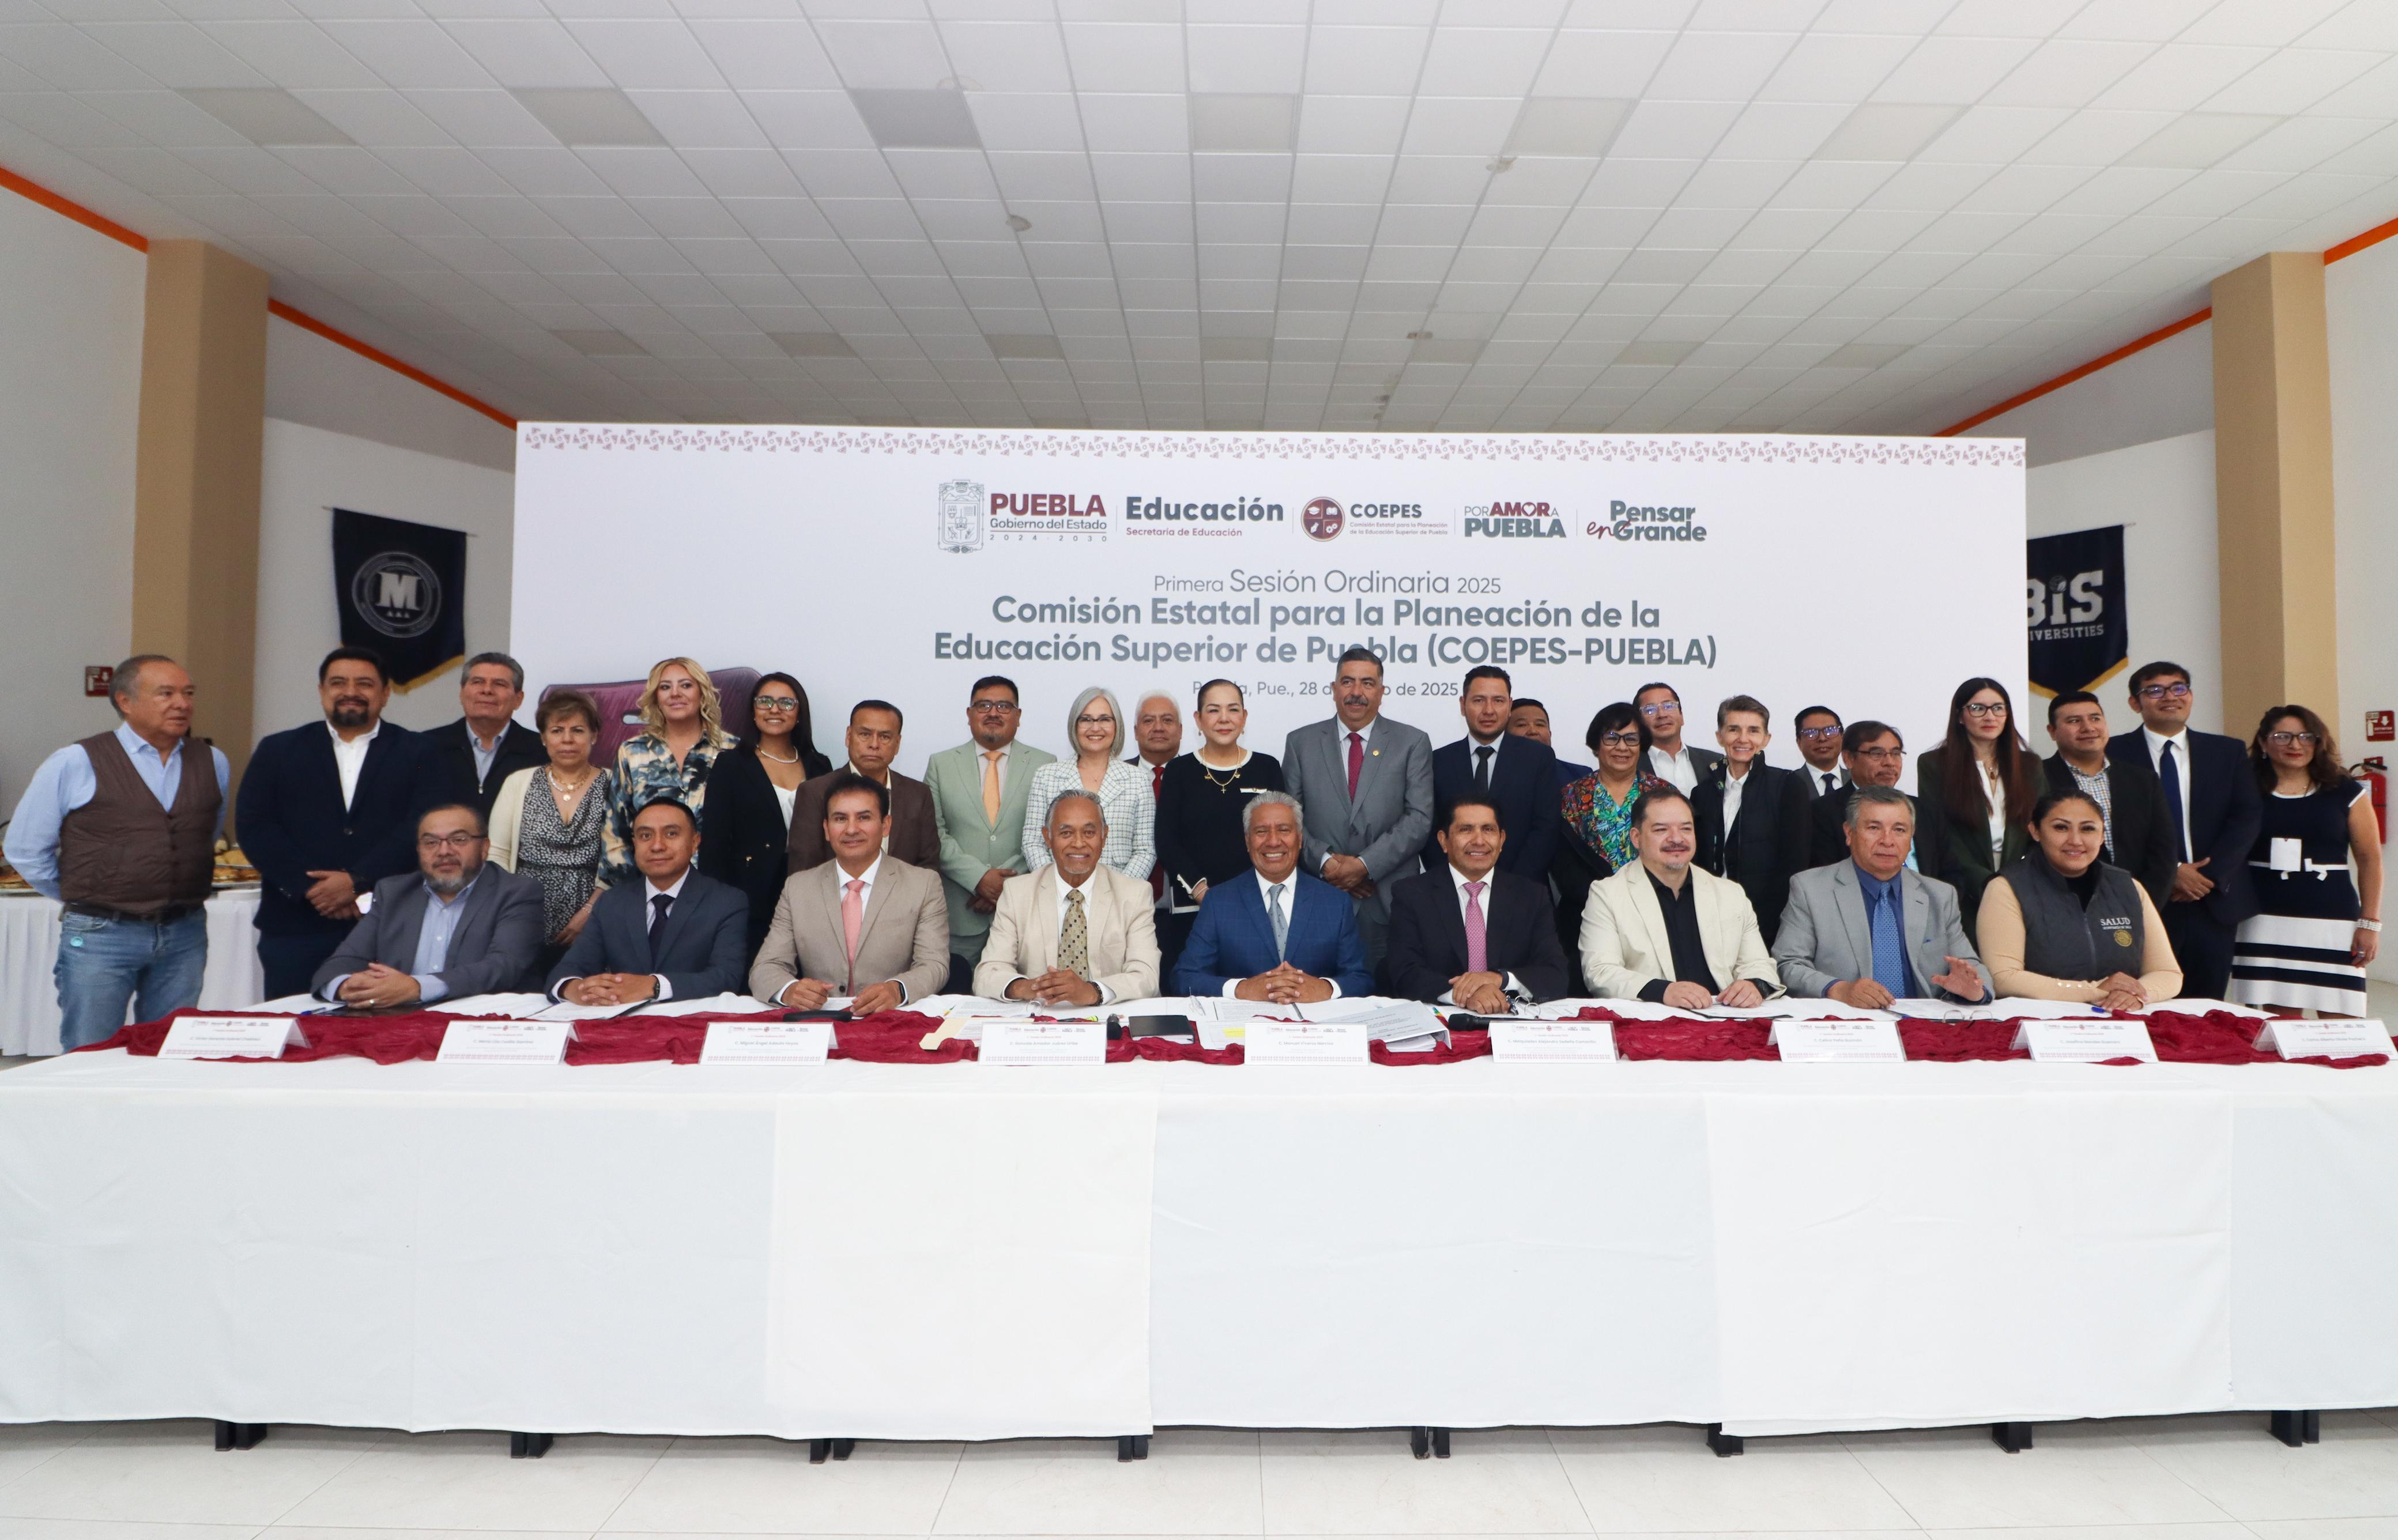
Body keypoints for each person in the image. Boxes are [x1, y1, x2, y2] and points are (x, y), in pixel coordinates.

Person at [4, 655, 228, 1047]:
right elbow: (25, 849)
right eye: (166, 694)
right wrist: (81, 894)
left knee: (170, 1049)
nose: (182, 703)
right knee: (91, 1052)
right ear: (125, 701)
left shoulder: (212, 761)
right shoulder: (76, 761)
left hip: (184, 932)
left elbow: (202, 835)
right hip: (101, 934)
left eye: (188, 693)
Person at [236, 647, 440, 998]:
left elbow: (422, 827)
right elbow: (255, 827)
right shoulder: (277, 750)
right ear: (322, 691)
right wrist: (311, 887)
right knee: (295, 1022)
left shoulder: (421, 751)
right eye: (338, 683)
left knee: (386, 1025)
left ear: (385, 694)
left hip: (387, 925)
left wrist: (357, 881)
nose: (351, 692)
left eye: (364, 684)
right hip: (295, 925)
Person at [2106, 661, 2263, 1001]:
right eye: (2155, 690)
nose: (2169, 697)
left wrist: (2209, 876)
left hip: (2212, 898)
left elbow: (2246, 816)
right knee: (2140, 999)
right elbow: (2113, 826)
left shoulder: (2227, 751)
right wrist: (2173, 871)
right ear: (2135, 703)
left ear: (2190, 696)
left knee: (2207, 1004)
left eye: (2179, 688)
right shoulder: (2112, 753)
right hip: (2145, 897)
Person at [1281, 647, 1434, 968]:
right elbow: (1289, 819)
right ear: (1334, 689)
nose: (1356, 692)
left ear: (1381, 691)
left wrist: (1364, 866)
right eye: (1348, 682)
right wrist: (1328, 864)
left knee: (1386, 992)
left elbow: (1419, 819)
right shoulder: (1300, 743)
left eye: (1367, 683)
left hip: (1387, 899)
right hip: (1320, 895)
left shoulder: (1412, 742)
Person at [1774, 786, 1991, 1007]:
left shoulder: (1940, 895)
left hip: (1923, 1020)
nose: (1887, 841)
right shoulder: (1811, 889)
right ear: (1849, 833)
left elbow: (1972, 967)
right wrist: (1839, 990)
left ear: (1911, 837)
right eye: (1874, 828)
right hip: (1848, 1019)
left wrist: (1974, 989)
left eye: (1899, 830)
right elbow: (1788, 964)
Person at [751, 773, 950, 1012]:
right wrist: (790, 991)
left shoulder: (923, 884)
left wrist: (897, 990)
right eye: (840, 819)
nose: (852, 829)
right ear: (826, 829)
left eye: (864, 818)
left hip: (891, 1019)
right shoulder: (798, 888)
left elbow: (934, 964)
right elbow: (765, 968)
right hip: (822, 1020)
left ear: (886, 825)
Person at [311, 803, 545, 1006]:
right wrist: (348, 987)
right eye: (431, 842)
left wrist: (417, 988)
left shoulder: (516, 892)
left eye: (459, 840)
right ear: (419, 850)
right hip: (399, 1020)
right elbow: (341, 962)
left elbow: (504, 967)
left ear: (485, 848)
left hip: (480, 1022)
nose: (444, 851)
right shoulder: (394, 893)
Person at [2229, 705, 2381, 1016]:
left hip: (2332, 920)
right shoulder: (2245, 790)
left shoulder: (2346, 792)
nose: (2295, 745)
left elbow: (2370, 859)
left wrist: (2369, 923)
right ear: (2263, 742)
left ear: (2319, 741)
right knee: (2281, 1024)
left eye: (2305, 736)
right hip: (2263, 919)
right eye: (2282, 736)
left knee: (2340, 1023)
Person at [1976, 790, 2182, 1009]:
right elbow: (2003, 978)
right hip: (2038, 1020)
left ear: (2102, 836)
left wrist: (2134, 995)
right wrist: (2094, 990)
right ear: (2035, 831)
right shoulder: (2007, 887)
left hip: (2119, 1019)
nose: (2075, 840)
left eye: (2088, 829)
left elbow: (2167, 973)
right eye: (2061, 828)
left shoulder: (2129, 887)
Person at [1578, 787, 1782, 1006]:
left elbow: (1759, 964)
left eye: (1686, 829)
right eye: (1661, 830)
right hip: (1653, 1017)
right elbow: (1600, 972)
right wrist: (1663, 991)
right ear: (1636, 838)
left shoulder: (1730, 894)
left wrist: (1753, 985)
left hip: (1724, 1015)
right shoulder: (1607, 895)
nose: (1676, 839)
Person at [1175, 790, 1375, 1001]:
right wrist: (1242, 989)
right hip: (1245, 1020)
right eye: (1261, 831)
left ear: (1299, 839)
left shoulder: (1335, 903)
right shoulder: (1219, 902)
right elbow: (1184, 978)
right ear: (1247, 841)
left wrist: (1325, 989)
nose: (1273, 841)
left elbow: (1360, 979)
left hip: (1313, 1020)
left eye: (1284, 830)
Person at [925, 677, 1056, 992]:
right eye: (984, 705)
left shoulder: (1045, 764)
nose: (993, 713)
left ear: (1018, 716)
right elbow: (934, 833)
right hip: (961, 912)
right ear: (969, 714)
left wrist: (1005, 887)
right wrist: (979, 879)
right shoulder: (941, 764)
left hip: (1024, 911)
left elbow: (1049, 833)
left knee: (1024, 999)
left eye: (1004, 706)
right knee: (956, 1002)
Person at [550, 797, 748, 1004]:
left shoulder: (727, 902)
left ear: (694, 842)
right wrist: (577, 990)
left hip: (692, 1018)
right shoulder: (612, 902)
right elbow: (567, 971)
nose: (657, 846)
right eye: (646, 836)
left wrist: (654, 986)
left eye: (671, 834)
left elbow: (727, 978)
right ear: (635, 843)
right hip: (621, 1019)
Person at [974, 790, 1161, 1005]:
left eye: (1089, 833)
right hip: (1041, 1016)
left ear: (1104, 836)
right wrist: (1030, 987)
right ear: (1048, 837)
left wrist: (1092, 992)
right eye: (1066, 833)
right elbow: (987, 973)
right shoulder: (1017, 893)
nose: (1079, 843)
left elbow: (1146, 976)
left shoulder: (1134, 895)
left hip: (1106, 1015)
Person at [1385, 794, 1570, 1010]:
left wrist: (1499, 980)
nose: (1479, 841)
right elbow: (1405, 973)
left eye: (1488, 830)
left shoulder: (1531, 897)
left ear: (1502, 840)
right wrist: (1465, 994)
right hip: (1443, 1017)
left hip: (1510, 1018)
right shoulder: (1412, 895)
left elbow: (1556, 975)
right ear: (1444, 841)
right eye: (1466, 830)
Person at [1155, 680, 1285, 973]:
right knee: (1192, 987)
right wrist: (1202, 891)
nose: (1224, 719)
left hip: (1257, 908)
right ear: (1198, 720)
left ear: (1245, 717)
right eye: (1214, 710)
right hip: (1193, 909)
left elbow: (1280, 836)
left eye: (1233, 710)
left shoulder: (1267, 767)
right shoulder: (1179, 771)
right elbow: (1166, 840)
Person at [488, 689, 613, 984]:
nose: (567, 739)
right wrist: (514, 914)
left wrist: (590, 912)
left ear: (594, 736)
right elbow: (497, 854)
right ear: (543, 738)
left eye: (578, 730)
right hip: (523, 921)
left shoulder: (616, 783)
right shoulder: (518, 782)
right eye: (557, 731)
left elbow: (622, 860)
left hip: (596, 923)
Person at [700, 671, 820, 967]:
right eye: (765, 701)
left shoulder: (819, 764)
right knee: (754, 974)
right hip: (749, 893)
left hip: (809, 891)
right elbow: (714, 843)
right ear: (753, 711)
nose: (775, 709)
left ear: (800, 713)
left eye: (786, 703)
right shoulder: (731, 764)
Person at [1915, 677, 2039, 942]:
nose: (1990, 716)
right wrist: (1988, 882)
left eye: (1998, 708)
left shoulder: (2030, 765)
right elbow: (1941, 831)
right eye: (1977, 708)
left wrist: (2016, 880)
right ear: (1960, 716)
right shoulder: (1934, 764)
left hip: (2022, 884)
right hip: (1963, 887)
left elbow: (2041, 827)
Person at [1553, 703, 1671, 973]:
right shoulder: (1570, 797)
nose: (1622, 747)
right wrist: (1606, 903)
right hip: (1586, 918)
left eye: (1631, 739)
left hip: (1654, 915)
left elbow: (1676, 855)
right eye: (1611, 738)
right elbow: (1562, 865)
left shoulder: (1663, 794)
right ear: (1596, 745)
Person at [603, 658, 736, 887]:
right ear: (656, 697)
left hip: (716, 888)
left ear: (702, 693)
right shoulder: (633, 752)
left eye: (686, 685)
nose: (675, 694)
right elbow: (615, 831)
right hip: (647, 889)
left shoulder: (732, 750)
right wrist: (634, 889)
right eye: (665, 687)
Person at [1424, 665, 1561, 881]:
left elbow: (1546, 828)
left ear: (1510, 706)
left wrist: (1509, 887)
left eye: (1498, 701)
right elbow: (1429, 831)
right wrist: (1454, 882)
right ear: (1463, 705)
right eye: (1479, 700)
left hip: (1524, 888)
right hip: (1452, 890)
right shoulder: (1438, 761)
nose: (1489, 710)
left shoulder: (1538, 758)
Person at [2042, 690, 2178, 907]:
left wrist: (2143, 907)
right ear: (2053, 732)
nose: (2088, 728)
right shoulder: (2036, 779)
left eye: (2095, 718)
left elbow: (2164, 852)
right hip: (2061, 905)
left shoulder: (2143, 780)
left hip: (2137, 904)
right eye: (2074, 721)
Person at [787, 700, 940, 870]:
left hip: (905, 888)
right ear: (848, 736)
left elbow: (929, 865)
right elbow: (804, 868)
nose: (874, 745)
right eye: (865, 734)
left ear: (897, 744)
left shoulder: (918, 794)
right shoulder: (815, 792)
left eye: (884, 737)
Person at [1021, 687, 1155, 882]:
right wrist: (1058, 887)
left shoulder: (1138, 779)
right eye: (1086, 720)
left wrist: (1119, 891)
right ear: (1074, 725)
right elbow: (1032, 842)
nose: (1095, 728)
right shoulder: (1046, 776)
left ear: (1117, 725)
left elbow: (1145, 850)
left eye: (1104, 719)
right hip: (1057, 891)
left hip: (1119, 893)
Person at [1693, 694, 1793, 944]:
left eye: (1753, 731)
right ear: (1720, 737)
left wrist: (1771, 920)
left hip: (1768, 922)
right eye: (1734, 729)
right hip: (1711, 919)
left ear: (1766, 739)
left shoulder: (1787, 786)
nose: (1743, 739)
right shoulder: (1702, 793)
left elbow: (1794, 863)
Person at [427, 652, 545, 824]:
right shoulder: (427, 746)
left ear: (518, 699)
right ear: (462, 694)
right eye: (478, 682)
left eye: (499, 684)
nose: (487, 690)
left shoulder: (542, 751)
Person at [1803, 720, 1909, 869]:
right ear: (1848, 759)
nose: (1889, 762)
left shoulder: (1924, 810)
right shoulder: (1820, 813)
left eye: (1896, 754)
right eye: (1877, 754)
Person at [1632, 682, 1722, 795]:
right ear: (1638, 723)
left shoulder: (1715, 762)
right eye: (1650, 710)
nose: (1662, 715)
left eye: (1669, 706)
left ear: (1682, 716)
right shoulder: (1631, 766)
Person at [1507, 697, 1590, 789]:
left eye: (1540, 725)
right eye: (1522, 725)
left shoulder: (1581, 776)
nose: (1533, 731)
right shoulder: (1497, 775)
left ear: (1550, 734)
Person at [1790, 705, 1847, 801]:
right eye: (1811, 733)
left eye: (1830, 731)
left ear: (1842, 737)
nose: (1822, 738)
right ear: (1799, 742)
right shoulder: (1788, 784)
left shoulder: (1859, 780)